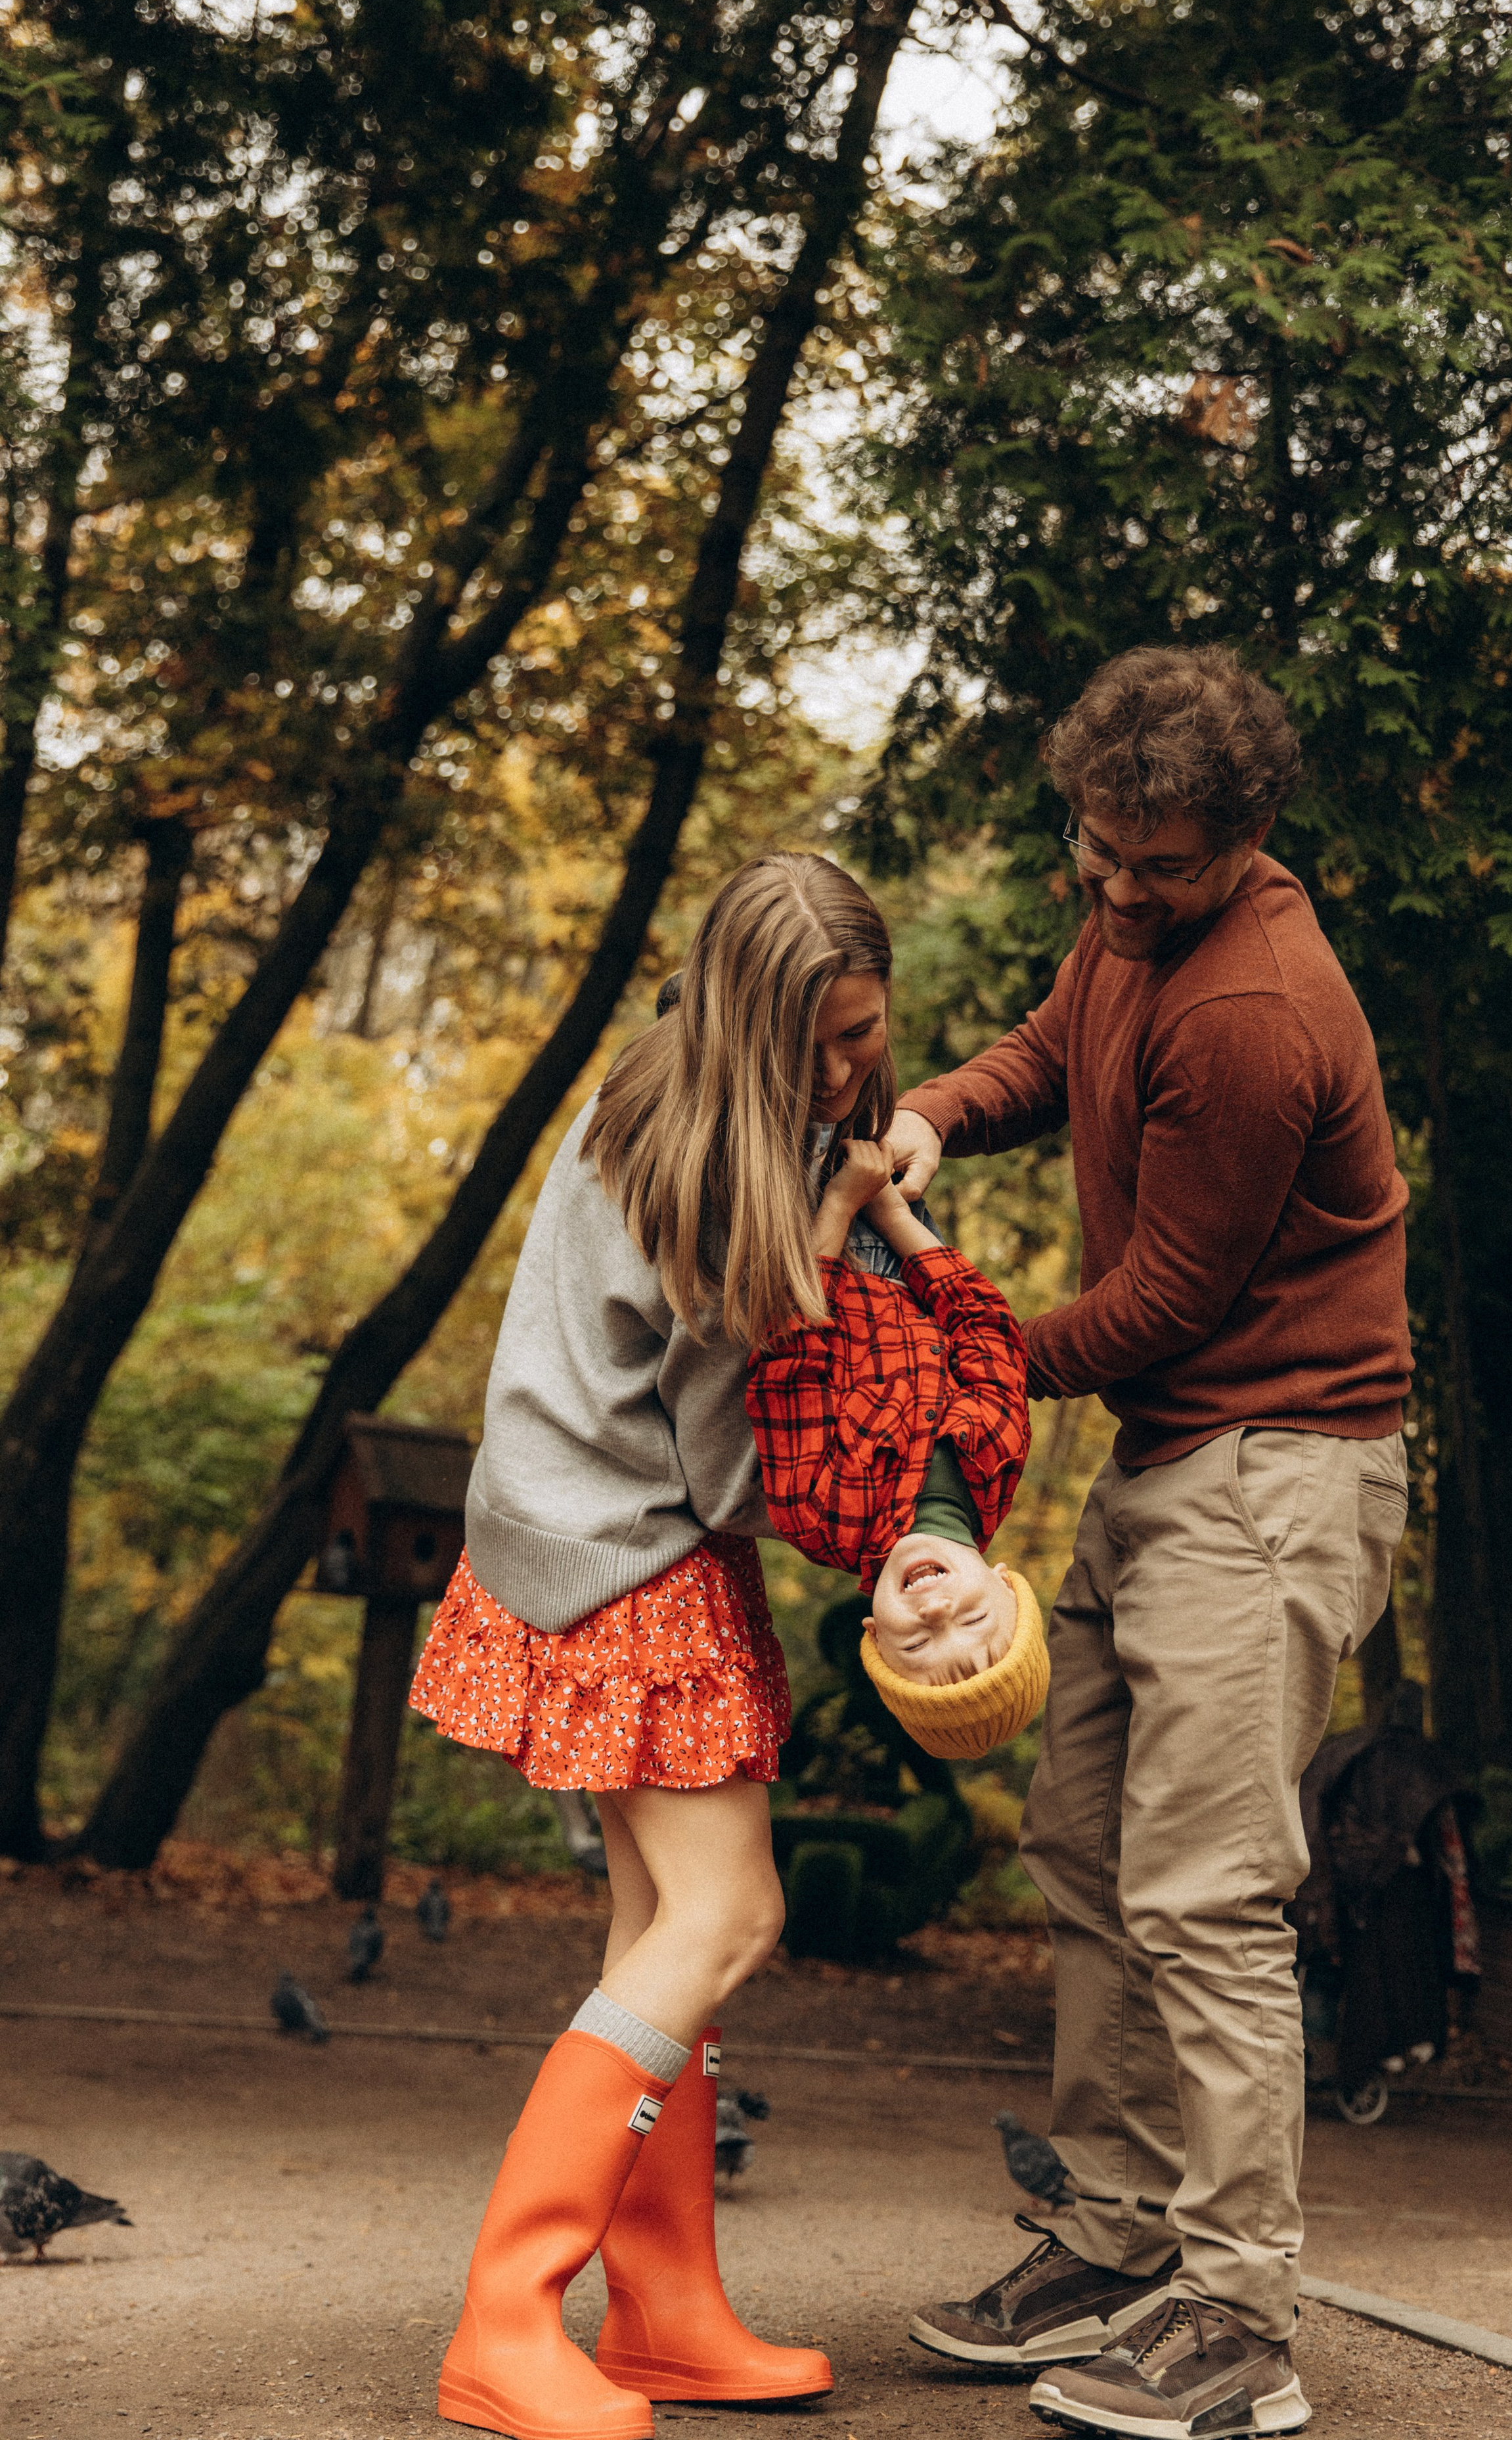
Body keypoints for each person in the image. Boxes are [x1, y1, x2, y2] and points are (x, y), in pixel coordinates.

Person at [887, 645, 1413, 2440]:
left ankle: (1243, 2322)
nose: (1115, 892)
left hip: (1274, 1468)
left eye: (1157, 867)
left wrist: (959, 1359)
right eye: (1093, 853)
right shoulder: (1132, 928)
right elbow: (1050, 1047)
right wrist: (933, 1113)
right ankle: (1115, 2244)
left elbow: (1171, 1299)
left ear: (1248, 833)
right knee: (1087, 1847)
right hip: (1173, 1461)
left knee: (1206, 1893)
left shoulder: (1256, 1008)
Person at [407, 851, 898, 2440]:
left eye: (865, 1036)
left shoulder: (674, 1080)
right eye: (822, 1045)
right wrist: (864, 1498)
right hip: (631, 1545)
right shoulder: (711, 1172)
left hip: (577, 1518)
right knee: (727, 1908)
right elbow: (731, 1461)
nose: (848, 1071)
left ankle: (667, 2308)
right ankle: (503, 2312)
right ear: (756, 1032)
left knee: (652, 1932)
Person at [745, 1135, 1050, 1755]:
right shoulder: (994, 1463)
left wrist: (837, 1207)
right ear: (1004, 1582)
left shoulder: (820, 1517)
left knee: (776, 1118)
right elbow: (987, 1329)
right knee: (850, 1100)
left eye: (916, 1645)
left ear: (873, 1636)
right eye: (974, 1619)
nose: (937, 1616)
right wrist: (890, 1213)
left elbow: (788, 1356)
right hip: (911, 1244)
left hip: (809, 1246)